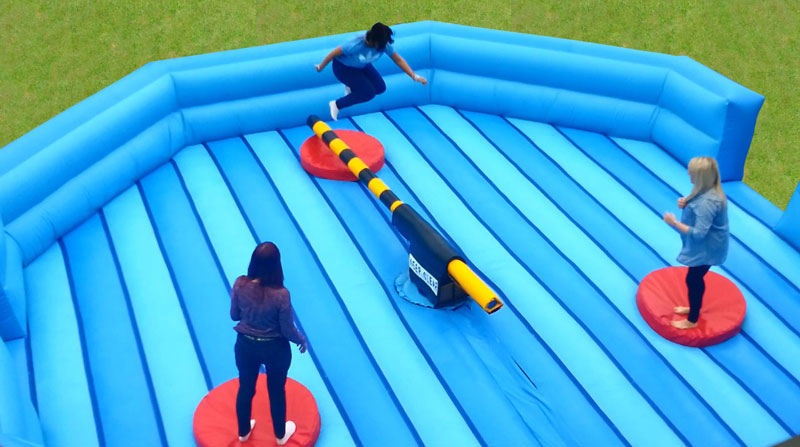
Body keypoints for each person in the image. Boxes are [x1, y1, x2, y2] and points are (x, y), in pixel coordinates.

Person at [231, 242, 308, 444]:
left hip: (245, 346)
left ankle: (243, 432)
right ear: (277, 266)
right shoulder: (281, 294)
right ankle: (280, 435)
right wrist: (301, 340)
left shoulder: (240, 284)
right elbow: (287, 329)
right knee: (276, 391)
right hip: (275, 349)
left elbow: (234, 315)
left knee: (245, 387)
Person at [663, 156, 730, 330]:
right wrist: (685, 202)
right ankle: (694, 308)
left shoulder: (708, 203)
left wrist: (674, 223)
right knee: (694, 278)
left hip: (708, 248)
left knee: (693, 279)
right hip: (709, 244)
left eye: (691, 172)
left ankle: (692, 320)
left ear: (701, 177)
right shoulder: (708, 189)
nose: (688, 174)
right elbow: (697, 201)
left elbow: (699, 233)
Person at [315, 22, 428, 121]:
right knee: (368, 93)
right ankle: (336, 104)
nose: (367, 43)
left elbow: (398, 60)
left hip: (363, 66)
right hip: (343, 68)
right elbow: (333, 54)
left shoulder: (383, 45)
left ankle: (352, 87)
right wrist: (321, 66)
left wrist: (414, 76)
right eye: (368, 42)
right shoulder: (354, 44)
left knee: (380, 88)